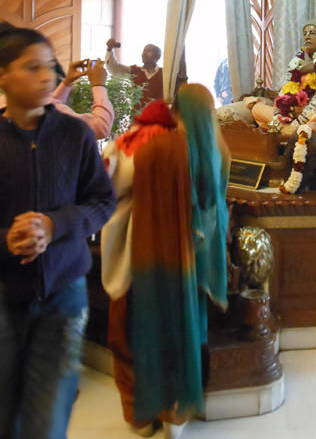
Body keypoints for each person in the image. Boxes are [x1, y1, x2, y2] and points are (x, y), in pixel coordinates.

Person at [0, 27, 116, 439]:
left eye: (49, 66)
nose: (46, 76)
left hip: (64, 293)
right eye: (31, 68)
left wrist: (55, 224)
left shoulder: (75, 134)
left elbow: (102, 201)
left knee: (46, 419)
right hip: (5, 293)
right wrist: (6, 239)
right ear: (4, 77)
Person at [101, 85, 229, 437]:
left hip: (144, 258)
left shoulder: (144, 147)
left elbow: (105, 187)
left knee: (132, 333)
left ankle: (141, 414)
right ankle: (177, 411)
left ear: (176, 114)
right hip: (191, 268)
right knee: (186, 333)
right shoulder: (217, 152)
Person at [251, 19, 316, 136]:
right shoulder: (298, 62)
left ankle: (288, 129)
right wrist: (289, 109)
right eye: (305, 33)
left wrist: (307, 110)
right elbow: (287, 92)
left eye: (312, 33)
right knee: (257, 109)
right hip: (293, 113)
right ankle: (296, 129)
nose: (307, 37)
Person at [105, 38, 163, 110]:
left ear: (157, 56)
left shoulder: (164, 74)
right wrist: (109, 50)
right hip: (137, 117)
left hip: (157, 117)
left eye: (149, 51)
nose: (144, 53)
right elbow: (114, 68)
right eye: (144, 50)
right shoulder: (134, 71)